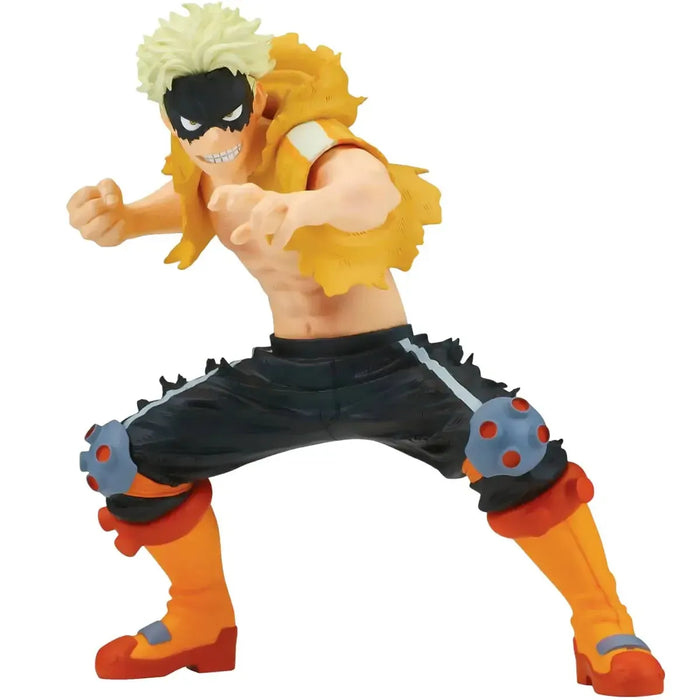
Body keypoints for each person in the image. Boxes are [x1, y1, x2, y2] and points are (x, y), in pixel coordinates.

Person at [67, 3, 664, 694]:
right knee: (125, 457)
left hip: (385, 364)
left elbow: (368, 192)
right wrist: (120, 219)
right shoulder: (205, 168)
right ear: (169, 118)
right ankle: (200, 619)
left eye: (227, 112)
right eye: (190, 121)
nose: (215, 136)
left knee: (508, 442)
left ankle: (604, 624)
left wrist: (300, 207)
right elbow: (185, 203)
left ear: (254, 96)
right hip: (286, 374)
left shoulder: (307, 143)